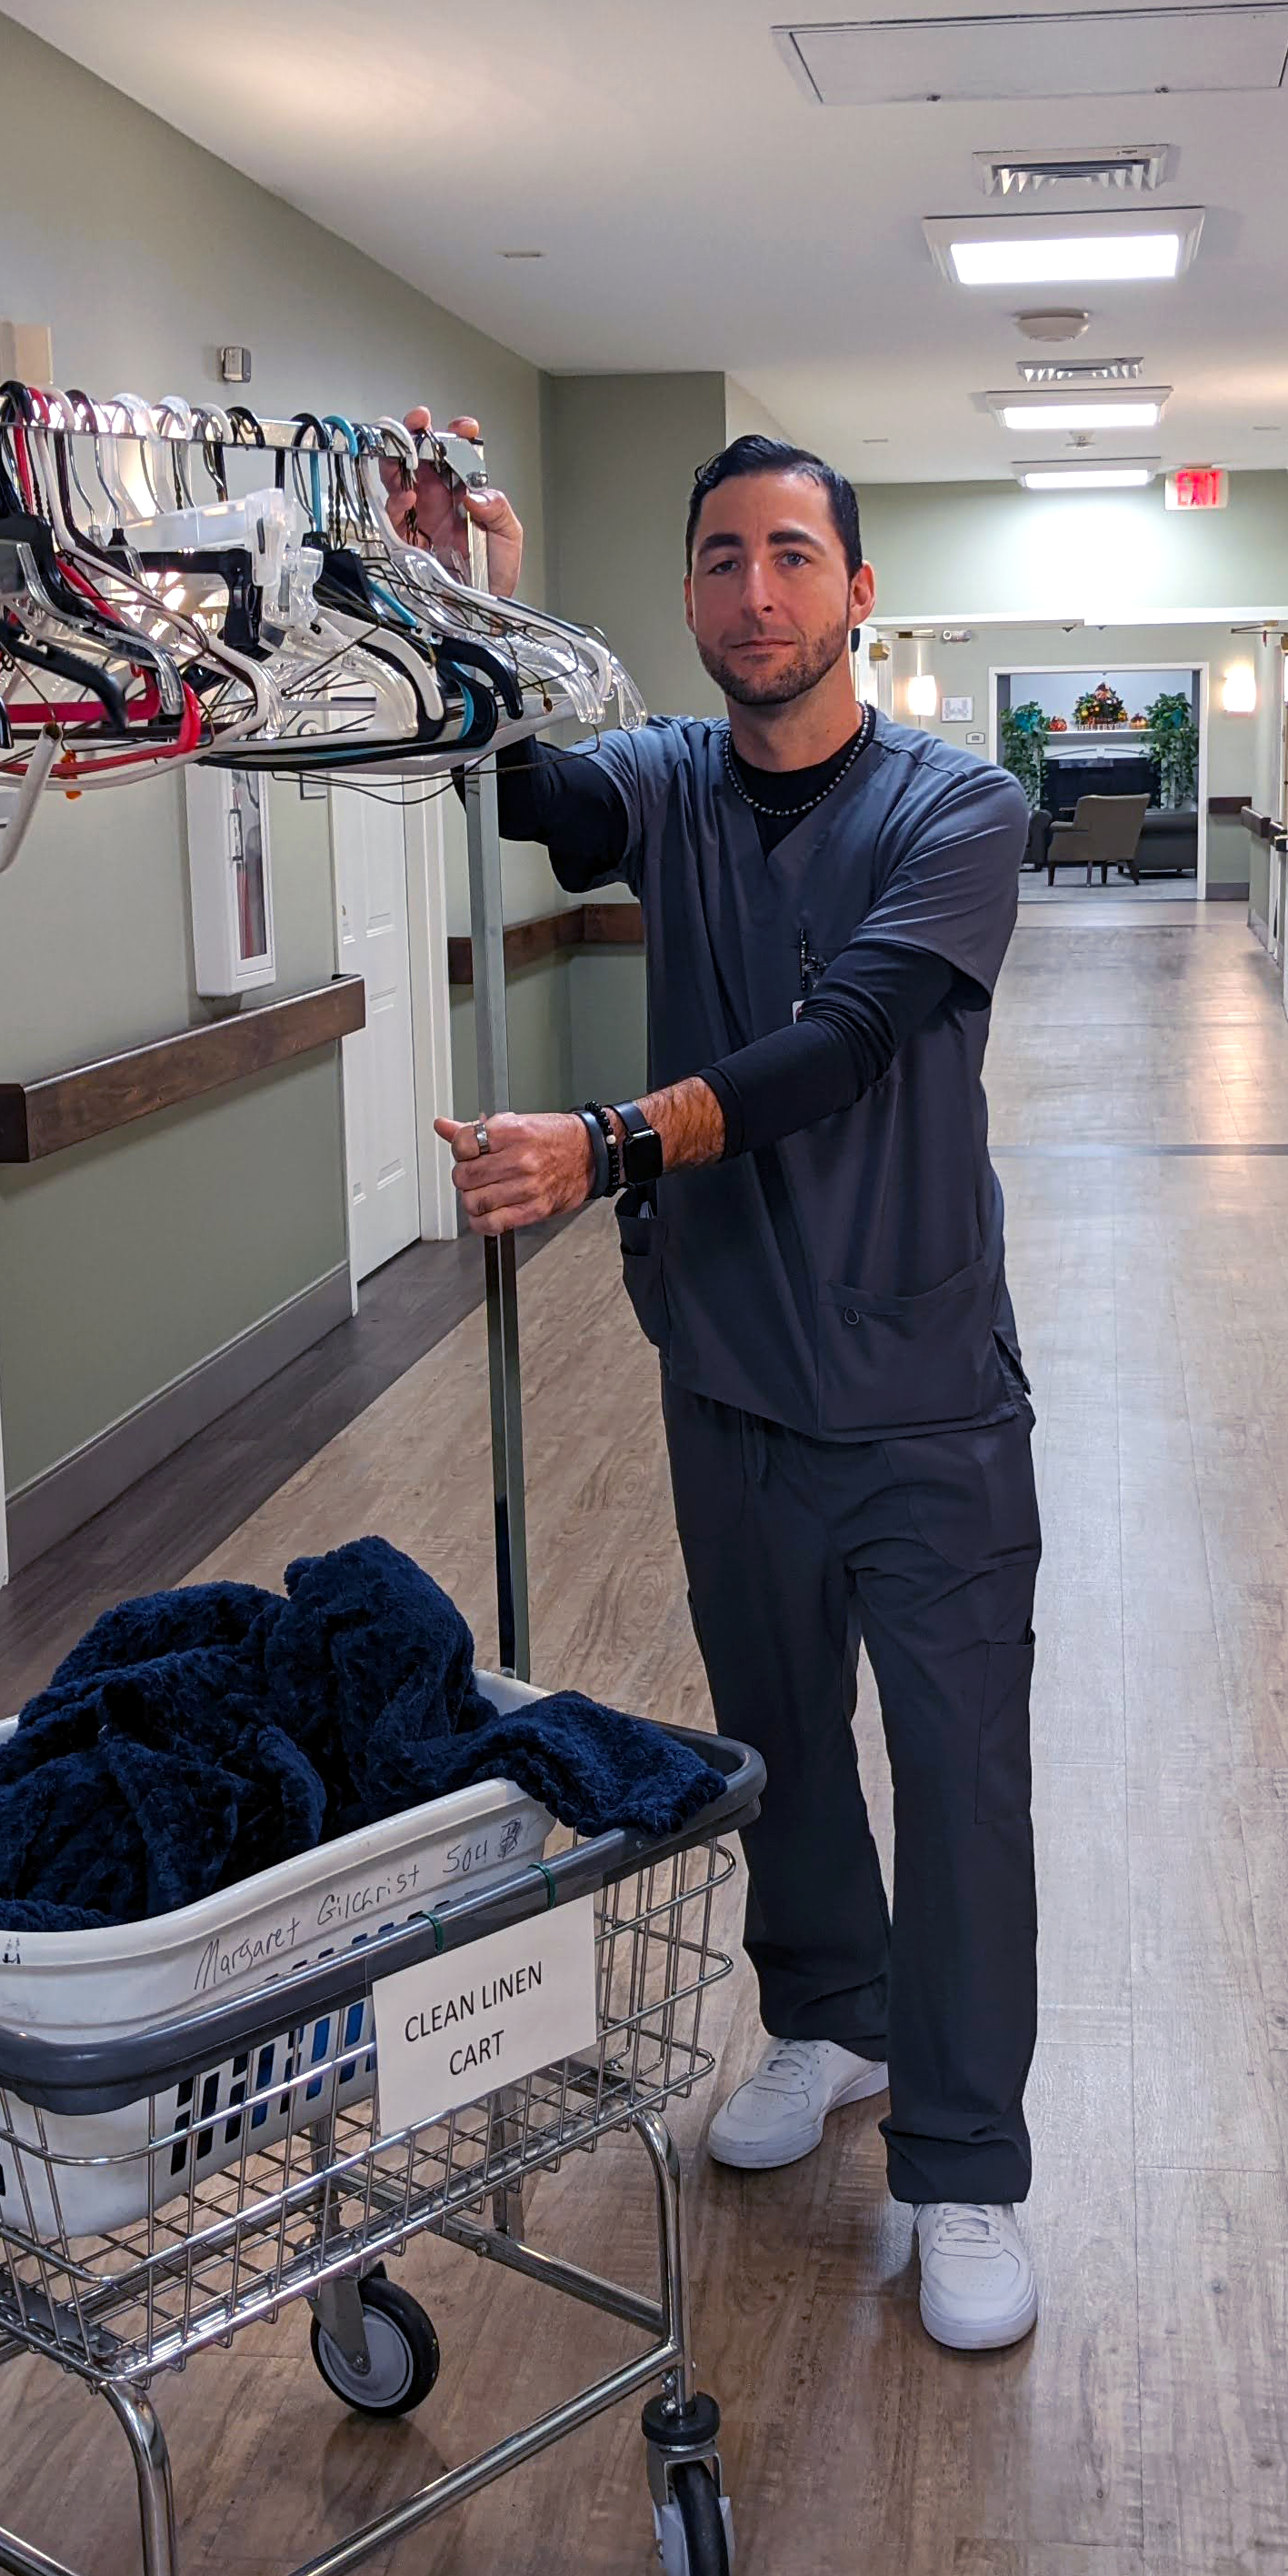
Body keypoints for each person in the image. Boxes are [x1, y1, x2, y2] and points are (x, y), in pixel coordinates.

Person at [385, 416, 1043, 2353]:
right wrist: (469, 595)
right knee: (780, 1740)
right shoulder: (664, 784)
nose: (753, 593)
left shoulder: (956, 809)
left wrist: (602, 1144)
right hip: (732, 1376)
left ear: (858, 593)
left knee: (963, 1776)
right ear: (687, 597)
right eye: (718, 560)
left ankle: (965, 2163)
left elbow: (841, 1047)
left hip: (921, 1396)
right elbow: (510, 791)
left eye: (790, 556)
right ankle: (829, 2022)